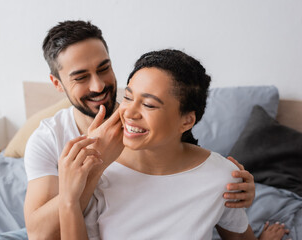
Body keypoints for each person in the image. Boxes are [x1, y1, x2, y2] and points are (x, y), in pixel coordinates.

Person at [23, 21, 256, 239]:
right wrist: (92, 172)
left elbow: (180, 162)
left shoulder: (143, 131)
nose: (99, 86)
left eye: (104, 69)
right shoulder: (48, 139)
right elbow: (41, 235)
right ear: (57, 84)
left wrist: (233, 182)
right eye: (81, 77)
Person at [58, 49, 290, 239]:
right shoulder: (98, 166)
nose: (129, 112)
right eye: (128, 97)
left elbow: (238, 237)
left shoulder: (222, 176)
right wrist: (71, 196)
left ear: (186, 120)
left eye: (149, 105)